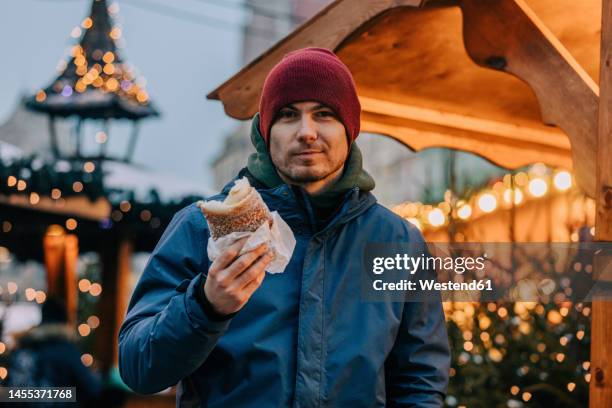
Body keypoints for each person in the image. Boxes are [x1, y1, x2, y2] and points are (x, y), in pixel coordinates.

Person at [119, 47, 450, 407]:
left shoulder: (398, 242)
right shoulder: (201, 227)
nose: (306, 132)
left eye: (324, 114)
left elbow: (419, 381)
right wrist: (205, 306)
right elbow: (139, 368)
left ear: (349, 128)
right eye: (289, 115)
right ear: (265, 130)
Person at [5, 296, 103, 407]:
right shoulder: (66, 352)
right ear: (64, 323)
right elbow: (92, 390)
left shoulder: (22, 349)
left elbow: (8, 394)